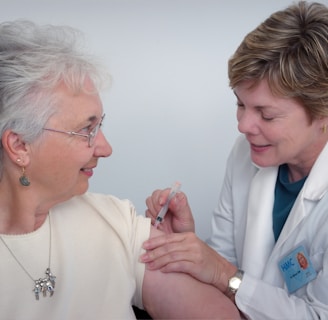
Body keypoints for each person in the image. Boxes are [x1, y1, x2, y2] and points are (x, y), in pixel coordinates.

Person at [0, 20, 241, 320]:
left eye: (99, 125)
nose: (105, 147)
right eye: (86, 130)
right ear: (20, 145)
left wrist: (182, 253)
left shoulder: (116, 223)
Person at [140, 1, 328, 319]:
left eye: (266, 114)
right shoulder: (247, 155)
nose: (243, 126)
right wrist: (188, 246)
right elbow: (224, 275)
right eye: (240, 104)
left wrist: (222, 272)